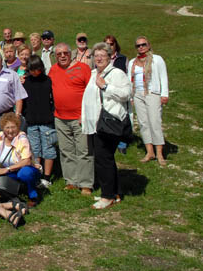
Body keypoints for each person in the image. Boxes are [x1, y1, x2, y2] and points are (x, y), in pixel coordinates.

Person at [82, 42, 133, 209]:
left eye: (102, 56)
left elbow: (126, 94)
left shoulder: (117, 73)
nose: (98, 59)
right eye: (96, 56)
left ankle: (107, 196)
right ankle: (115, 192)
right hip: (96, 123)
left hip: (109, 122)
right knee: (107, 159)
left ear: (110, 57)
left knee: (103, 160)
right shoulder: (93, 73)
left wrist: (106, 86)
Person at [49, 43, 93, 194]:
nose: (62, 56)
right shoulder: (53, 70)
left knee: (84, 151)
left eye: (65, 53)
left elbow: (91, 93)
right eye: (59, 54)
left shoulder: (83, 68)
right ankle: (71, 180)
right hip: (60, 117)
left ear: (70, 54)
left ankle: (86, 183)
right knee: (66, 150)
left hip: (79, 117)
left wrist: (86, 114)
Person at [0, 113, 40, 207]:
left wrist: (6, 169)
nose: (10, 130)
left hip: (23, 169)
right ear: (3, 128)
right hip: (9, 170)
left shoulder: (22, 138)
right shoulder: (0, 136)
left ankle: (33, 195)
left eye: (13, 127)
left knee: (24, 173)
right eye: (7, 127)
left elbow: (26, 161)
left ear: (18, 127)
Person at [128, 36, 169, 165]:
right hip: (138, 94)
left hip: (152, 93)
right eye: (138, 45)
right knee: (143, 123)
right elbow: (130, 80)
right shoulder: (132, 62)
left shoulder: (157, 60)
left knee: (154, 122)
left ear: (149, 45)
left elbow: (163, 77)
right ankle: (149, 151)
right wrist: (131, 96)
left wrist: (164, 94)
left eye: (143, 44)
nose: (141, 47)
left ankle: (159, 153)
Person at [21, 55, 56, 187]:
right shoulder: (26, 81)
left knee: (48, 149)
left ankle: (47, 177)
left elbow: (53, 99)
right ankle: (37, 174)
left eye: (37, 69)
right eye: (32, 70)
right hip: (31, 121)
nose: (35, 72)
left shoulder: (48, 81)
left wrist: (52, 112)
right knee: (35, 150)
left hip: (46, 120)